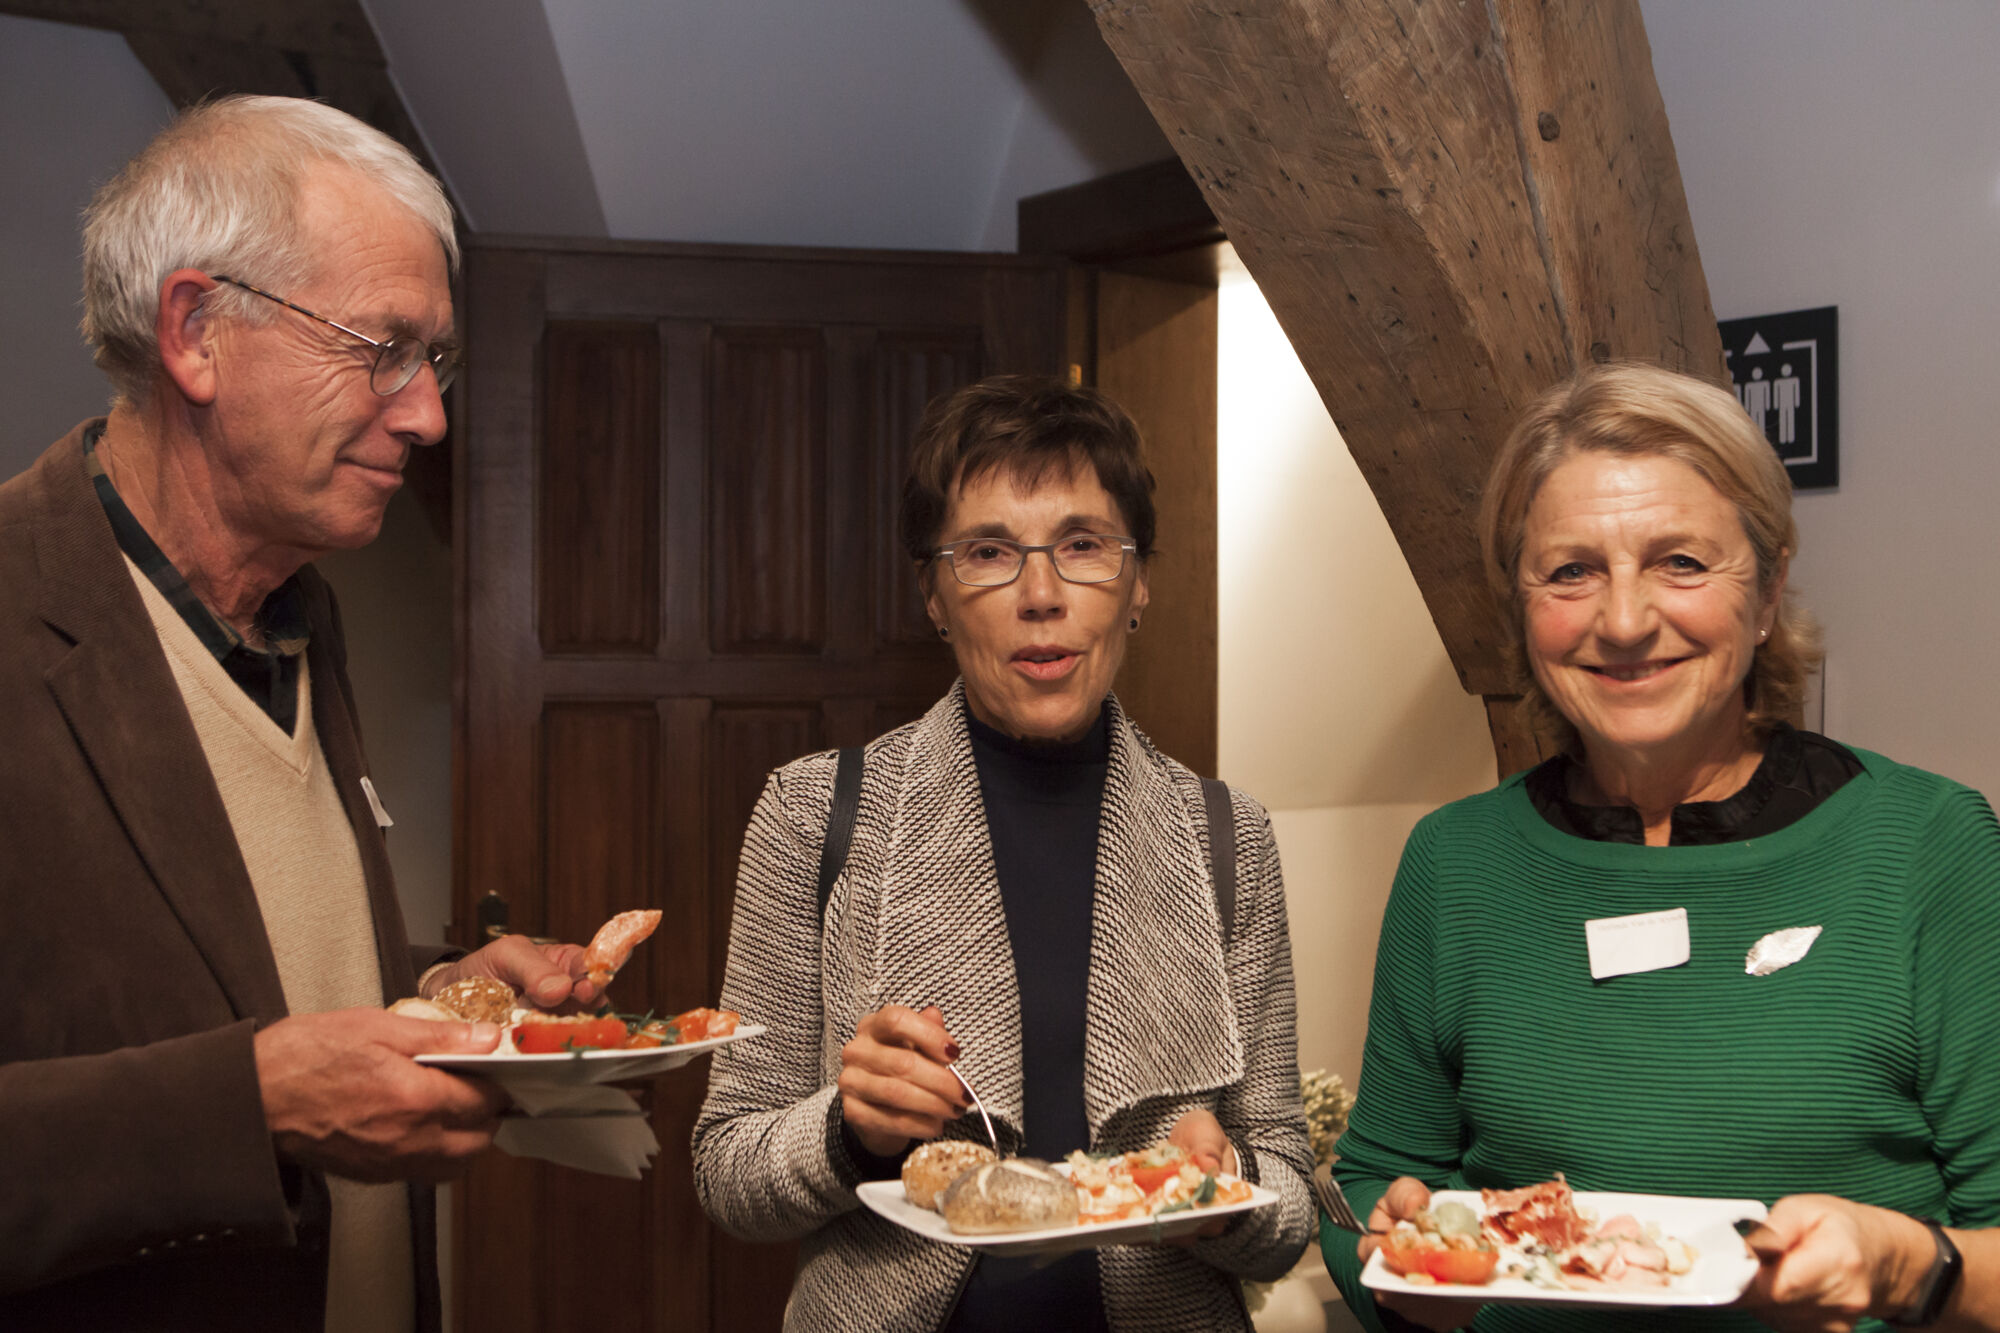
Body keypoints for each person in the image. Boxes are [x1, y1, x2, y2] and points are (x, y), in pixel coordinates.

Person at [0, 96, 602, 1332]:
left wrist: (440, 1001)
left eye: (429, 360)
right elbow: (246, 1062)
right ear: (195, 333)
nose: (427, 414)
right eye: (378, 346)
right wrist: (254, 1102)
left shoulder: (299, 615)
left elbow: (223, 961)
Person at [1323, 362, 2000, 1332]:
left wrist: (1904, 1267)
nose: (1625, 621)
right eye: (1569, 571)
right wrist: (1401, 1270)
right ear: (1519, 604)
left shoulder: (1925, 845)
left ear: (1765, 592)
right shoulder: (1454, 862)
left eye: (1679, 562)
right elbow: (1372, 1195)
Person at [693, 375, 1313, 1331]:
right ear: (934, 593)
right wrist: (847, 1131)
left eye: (1081, 546)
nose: (1041, 595)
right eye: (988, 552)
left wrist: (1222, 1183)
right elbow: (727, 1170)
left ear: (1139, 579)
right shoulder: (816, 813)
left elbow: (1290, 1203)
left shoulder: (1229, 835)